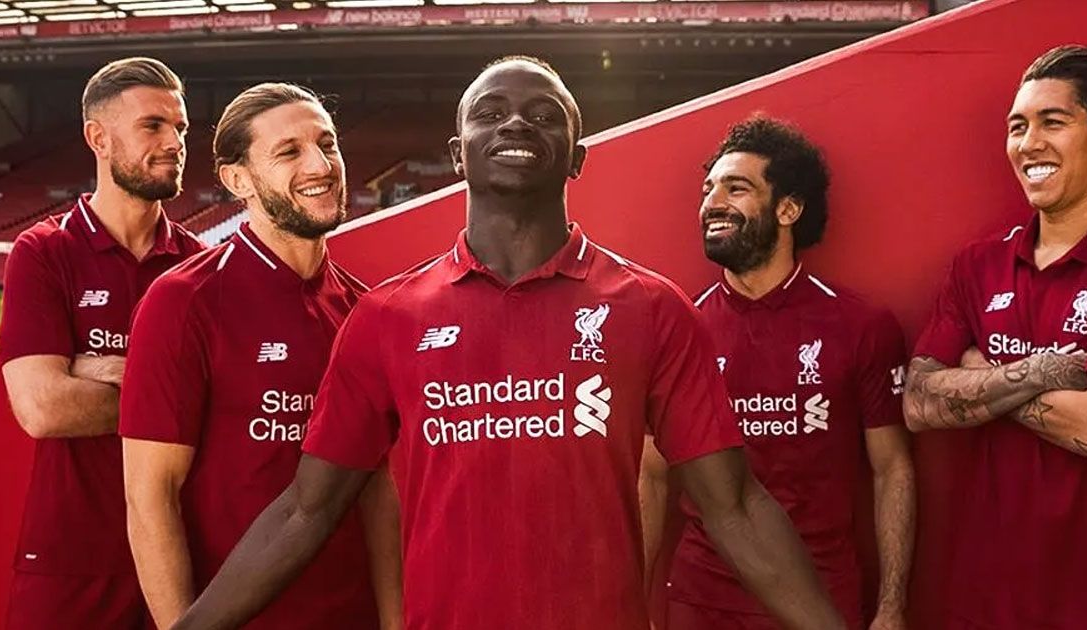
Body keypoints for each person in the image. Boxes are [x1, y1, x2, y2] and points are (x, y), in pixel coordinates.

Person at [172, 56, 845, 630]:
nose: (517, 123)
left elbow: (737, 506)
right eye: (490, 113)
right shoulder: (387, 317)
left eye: (545, 114)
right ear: (458, 153)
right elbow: (303, 510)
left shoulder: (650, 307)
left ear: (578, 157)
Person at [904, 45, 1087, 629]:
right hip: (985, 602)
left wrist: (978, 376)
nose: (1028, 142)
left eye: (1052, 122)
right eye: (1017, 126)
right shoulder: (977, 264)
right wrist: (1041, 371)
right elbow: (917, 402)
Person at [118, 83, 398, 629]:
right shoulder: (185, 301)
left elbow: (378, 498)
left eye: (328, 143)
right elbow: (150, 501)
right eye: (288, 151)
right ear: (236, 179)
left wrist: (395, 621)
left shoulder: (364, 309)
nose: (320, 164)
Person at [643, 117, 915, 630]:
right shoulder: (680, 326)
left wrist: (892, 605)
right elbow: (652, 475)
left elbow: (892, 470)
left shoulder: (861, 325)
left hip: (819, 599)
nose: (713, 202)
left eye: (736, 187)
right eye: (708, 189)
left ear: (788, 208)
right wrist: (631, 603)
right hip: (704, 602)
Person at [0, 57, 204, 629]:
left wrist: (103, 371)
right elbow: (42, 408)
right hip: (71, 559)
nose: (173, 142)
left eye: (180, 128)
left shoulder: (199, 267)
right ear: (98, 137)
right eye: (153, 126)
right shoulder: (44, 252)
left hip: (182, 556)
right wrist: (170, 397)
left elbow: (226, 405)